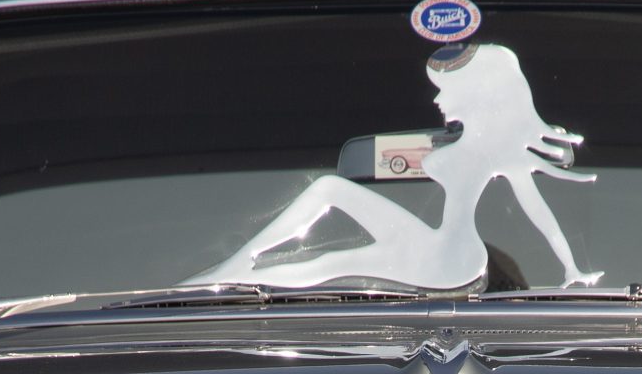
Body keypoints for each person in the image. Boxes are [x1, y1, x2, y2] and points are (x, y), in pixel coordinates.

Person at [194, 41, 599, 291]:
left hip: (452, 257)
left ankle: (230, 275)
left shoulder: (496, 152)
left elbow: (537, 210)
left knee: (330, 260)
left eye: (445, 91)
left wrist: (571, 270)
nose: (437, 101)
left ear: (476, 95)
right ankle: (234, 271)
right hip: (437, 246)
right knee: (328, 196)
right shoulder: (474, 147)